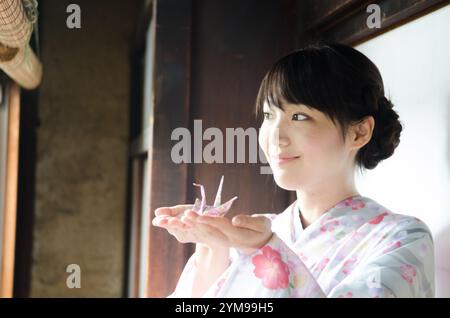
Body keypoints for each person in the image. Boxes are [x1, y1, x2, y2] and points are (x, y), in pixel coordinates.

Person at [152, 43, 435, 298]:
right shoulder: (256, 232)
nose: (275, 137)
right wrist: (212, 253)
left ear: (359, 132)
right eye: (268, 115)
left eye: (299, 116)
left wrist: (270, 251)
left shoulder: (403, 238)